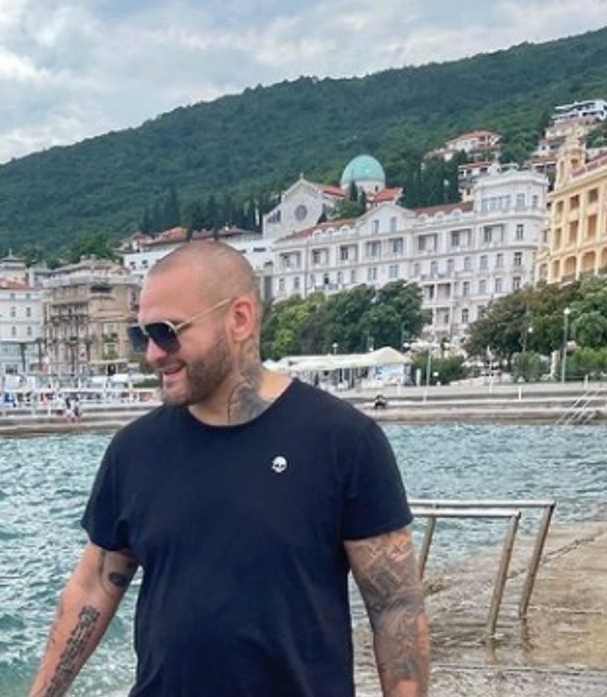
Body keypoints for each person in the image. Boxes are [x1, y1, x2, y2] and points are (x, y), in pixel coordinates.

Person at [28, 241, 429, 697]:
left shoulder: (343, 440)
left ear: (239, 319)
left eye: (166, 332)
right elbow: (94, 587)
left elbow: (395, 607)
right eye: (142, 336)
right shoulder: (133, 450)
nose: (153, 354)